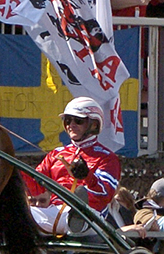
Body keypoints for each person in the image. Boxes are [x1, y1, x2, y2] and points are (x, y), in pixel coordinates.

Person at [22, 98, 121, 234]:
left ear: (94, 124)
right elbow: (35, 187)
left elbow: (104, 195)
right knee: (19, 213)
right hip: (55, 213)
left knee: (82, 212)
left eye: (78, 121)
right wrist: (15, 170)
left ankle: (78, 216)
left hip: (92, 216)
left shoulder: (107, 158)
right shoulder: (56, 154)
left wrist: (87, 176)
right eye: (68, 121)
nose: (71, 125)